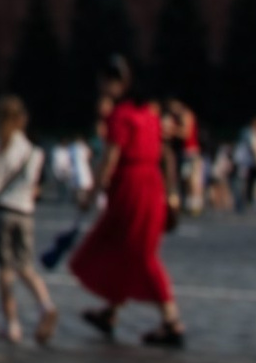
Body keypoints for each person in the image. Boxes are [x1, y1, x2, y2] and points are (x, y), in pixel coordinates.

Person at [69, 57, 184, 346]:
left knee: (137, 253)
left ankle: (171, 321)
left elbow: (110, 158)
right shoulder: (149, 113)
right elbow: (165, 152)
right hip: (151, 185)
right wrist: (171, 192)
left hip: (131, 189)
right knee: (124, 249)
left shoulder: (120, 116)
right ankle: (109, 312)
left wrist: (91, 193)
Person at [0, 93, 57, 347]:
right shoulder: (33, 151)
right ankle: (45, 304)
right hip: (25, 212)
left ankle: (12, 324)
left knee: (5, 270)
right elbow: (36, 186)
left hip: (1, 212)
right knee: (25, 266)